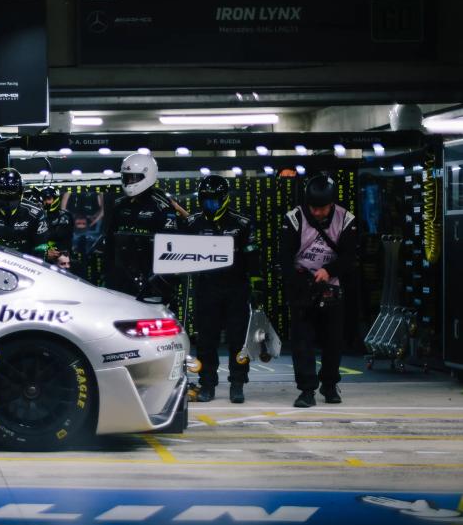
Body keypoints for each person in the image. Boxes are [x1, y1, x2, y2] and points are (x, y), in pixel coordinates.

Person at [280, 173, 357, 408]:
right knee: (302, 341)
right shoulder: (294, 218)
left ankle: (330, 384)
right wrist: (300, 281)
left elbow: (349, 255)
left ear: (332, 204)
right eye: (312, 207)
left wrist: (329, 270)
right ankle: (306, 390)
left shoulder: (346, 219)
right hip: (302, 285)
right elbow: (284, 257)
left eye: (322, 208)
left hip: (331, 286)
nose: (316, 213)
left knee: (333, 340)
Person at [185, 175, 263, 403]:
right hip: (206, 288)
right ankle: (207, 383)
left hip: (236, 289)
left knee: (238, 339)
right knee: (206, 339)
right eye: (205, 199)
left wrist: (257, 287)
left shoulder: (242, 223)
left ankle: (238, 382)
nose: (210, 204)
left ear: (225, 198)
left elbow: (253, 257)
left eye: (214, 199)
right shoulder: (192, 223)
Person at [102, 153, 182, 301]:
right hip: (121, 277)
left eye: (134, 177)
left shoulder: (162, 206)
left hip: (151, 280)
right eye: (127, 177)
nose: (130, 182)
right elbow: (110, 242)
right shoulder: (120, 205)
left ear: (148, 175)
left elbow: (171, 247)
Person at [0, 168, 50, 256]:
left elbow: (41, 246)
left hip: (23, 263)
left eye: (12, 198)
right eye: (4, 198)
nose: (8, 203)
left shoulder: (35, 213)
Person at [34, 184, 74, 269]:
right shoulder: (35, 216)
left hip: (60, 261)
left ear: (55, 199)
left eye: (48, 199)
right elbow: (33, 241)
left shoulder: (65, 217)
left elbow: (65, 242)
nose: (45, 202)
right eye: (43, 199)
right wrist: (44, 251)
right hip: (39, 260)